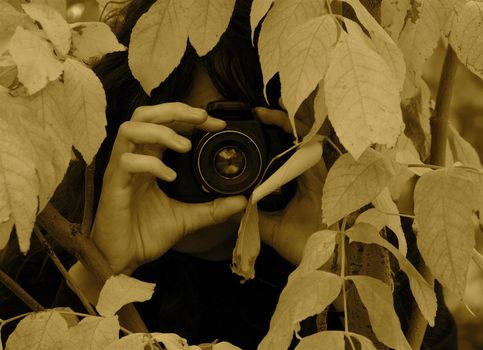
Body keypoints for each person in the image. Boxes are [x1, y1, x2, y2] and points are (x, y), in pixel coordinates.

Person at [52, 0, 457, 348]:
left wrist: (340, 279)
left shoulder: (391, 267)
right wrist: (98, 270)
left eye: (248, 136)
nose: (226, 161)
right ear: (129, 124)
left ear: (295, 136)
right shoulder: (49, 245)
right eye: (193, 135)